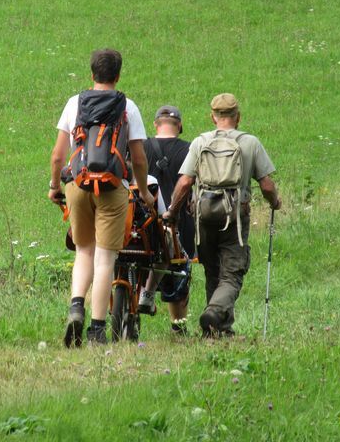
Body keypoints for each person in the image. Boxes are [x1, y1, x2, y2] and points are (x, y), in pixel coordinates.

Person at [48, 49, 154, 347]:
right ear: (118, 76)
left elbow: (58, 156)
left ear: (91, 73)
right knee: (105, 257)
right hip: (112, 187)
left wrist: (55, 186)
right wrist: (143, 191)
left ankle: (75, 307)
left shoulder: (74, 103)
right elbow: (140, 158)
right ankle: (96, 330)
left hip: (78, 184)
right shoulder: (128, 106)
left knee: (84, 250)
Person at [164, 93, 282, 337]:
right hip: (235, 215)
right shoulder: (250, 143)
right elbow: (267, 186)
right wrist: (275, 202)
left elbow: (185, 182)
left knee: (212, 270)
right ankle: (215, 313)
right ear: (238, 117)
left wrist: (172, 211)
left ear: (213, 116)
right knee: (232, 273)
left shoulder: (200, 142)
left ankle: (217, 328)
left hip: (203, 214)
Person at [138, 106, 194, 334]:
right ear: (179, 125)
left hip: (142, 221)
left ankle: (131, 312)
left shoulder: (141, 146)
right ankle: (178, 327)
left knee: (136, 267)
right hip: (177, 221)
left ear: (155, 124)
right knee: (178, 274)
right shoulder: (189, 149)